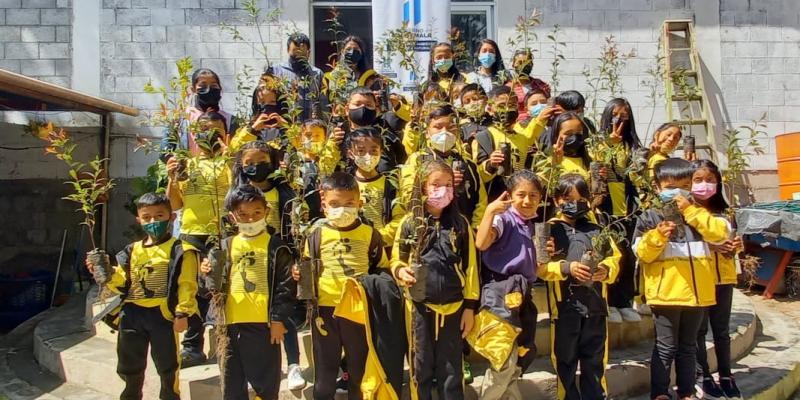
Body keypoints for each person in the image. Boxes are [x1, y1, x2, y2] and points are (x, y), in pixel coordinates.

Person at [633, 158, 730, 400]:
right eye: (670, 187)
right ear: (657, 188)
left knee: (688, 347)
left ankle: (686, 391)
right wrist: (657, 236)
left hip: (697, 296)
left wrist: (690, 210)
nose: (677, 193)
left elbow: (720, 234)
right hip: (666, 295)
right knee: (665, 347)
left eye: (684, 186)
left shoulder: (699, 215)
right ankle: (660, 393)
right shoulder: (650, 217)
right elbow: (641, 252)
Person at [85, 193, 198, 400]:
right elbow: (121, 281)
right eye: (147, 217)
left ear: (171, 217)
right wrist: (104, 272)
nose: (153, 221)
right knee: (129, 364)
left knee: (167, 365)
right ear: (139, 219)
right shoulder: (131, 250)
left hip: (162, 315)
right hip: (132, 314)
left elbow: (187, 284)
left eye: (159, 216)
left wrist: (183, 312)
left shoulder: (181, 250)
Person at [392, 160, 478, 400]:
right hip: (419, 307)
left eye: (448, 184)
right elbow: (396, 259)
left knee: (452, 369)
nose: (443, 190)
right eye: (436, 184)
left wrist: (470, 307)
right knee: (421, 367)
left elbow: (470, 268)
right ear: (422, 188)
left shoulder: (460, 224)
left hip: (454, 308)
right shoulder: (409, 223)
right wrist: (400, 271)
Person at [298, 172, 389, 399]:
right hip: (325, 311)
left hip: (357, 312)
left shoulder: (370, 234)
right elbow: (307, 267)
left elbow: (382, 269)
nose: (343, 209)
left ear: (360, 203)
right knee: (325, 369)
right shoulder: (316, 235)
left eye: (349, 204)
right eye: (335, 204)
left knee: (358, 368)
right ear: (324, 205)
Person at [201, 185, 295, 400]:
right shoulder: (225, 245)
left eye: (256, 214)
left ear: (266, 213)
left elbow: (285, 286)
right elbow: (210, 288)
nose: (250, 220)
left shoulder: (276, 247)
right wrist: (205, 272)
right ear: (233, 217)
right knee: (231, 380)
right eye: (243, 215)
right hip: (229, 325)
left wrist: (278, 319)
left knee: (265, 382)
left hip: (263, 325)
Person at [542, 173, 621, 400]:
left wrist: (606, 270)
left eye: (579, 198)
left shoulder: (597, 228)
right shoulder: (549, 230)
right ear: (557, 200)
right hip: (565, 309)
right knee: (565, 360)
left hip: (596, 307)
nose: (573, 204)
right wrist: (566, 268)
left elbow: (615, 257)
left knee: (595, 359)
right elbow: (540, 268)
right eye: (567, 198)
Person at [473, 170, 551, 399]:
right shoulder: (503, 218)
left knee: (519, 359)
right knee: (503, 359)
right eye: (521, 195)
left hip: (522, 295)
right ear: (510, 195)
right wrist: (489, 212)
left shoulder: (530, 225)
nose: (527, 201)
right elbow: (482, 243)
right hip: (499, 294)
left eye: (534, 195)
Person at [166, 111, 232, 366]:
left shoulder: (229, 164)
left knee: (220, 287)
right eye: (204, 130)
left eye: (216, 130)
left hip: (222, 233)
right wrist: (172, 178)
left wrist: (228, 156)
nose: (210, 135)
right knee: (192, 289)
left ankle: (225, 342)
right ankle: (193, 347)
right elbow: (174, 204)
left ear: (225, 134)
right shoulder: (186, 166)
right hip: (192, 235)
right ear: (195, 134)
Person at [691, 159, 743, 400]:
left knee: (721, 330)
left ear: (718, 182)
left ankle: (726, 374)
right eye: (698, 180)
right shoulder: (689, 213)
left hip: (724, 278)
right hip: (701, 278)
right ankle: (704, 376)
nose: (705, 185)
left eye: (710, 180)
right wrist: (711, 246)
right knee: (699, 330)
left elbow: (732, 243)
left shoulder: (725, 212)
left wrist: (736, 246)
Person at [596, 98, 646, 323]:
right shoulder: (597, 144)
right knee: (609, 255)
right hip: (605, 209)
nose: (619, 120)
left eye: (624, 116)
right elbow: (596, 172)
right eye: (615, 115)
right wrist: (609, 144)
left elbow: (636, 176)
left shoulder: (632, 146)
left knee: (628, 255)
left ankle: (624, 302)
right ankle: (608, 303)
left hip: (627, 209)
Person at [401, 105, 487, 230]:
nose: (444, 132)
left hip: (462, 232)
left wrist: (474, 230)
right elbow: (408, 197)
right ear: (427, 133)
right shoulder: (417, 160)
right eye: (438, 127)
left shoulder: (467, 163)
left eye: (450, 127)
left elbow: (481, 201)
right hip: (426, 231)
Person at [473, 86, 542, 201]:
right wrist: (491, 164)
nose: (507, 110)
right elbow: (478, 175)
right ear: (490, 109)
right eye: (501, 106)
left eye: (512, 106)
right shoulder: (483, 137)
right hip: (494, 199)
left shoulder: (521, 138)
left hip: (519, 199)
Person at [348, 126, 404, 249]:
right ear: (351, 154)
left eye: (373, 151)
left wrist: (378, 238)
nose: (368, 156)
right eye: (361, 151)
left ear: (381, 152)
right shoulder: (346, 185)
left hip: (382, 248)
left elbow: (399, 217)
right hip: (353, 247)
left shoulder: (390, 185)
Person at [161, 68, 236, 158]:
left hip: (223, 170)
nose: (209, 90)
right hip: (191, 170)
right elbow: (165, 152)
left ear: (220, 88)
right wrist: (173, 164)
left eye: (214, 86)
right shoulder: (181, 119)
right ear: (193, 89)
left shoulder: (232, 121)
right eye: (203, 86)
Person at [272, 32, 327, 121]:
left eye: (301, 56)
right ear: (287, 50)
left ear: (308, 53)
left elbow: (324, 106)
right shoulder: (276, 71)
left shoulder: (317, 74)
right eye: (294, 55)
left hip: (309, 128)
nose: (298, 59)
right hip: (285, 127)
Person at [229, 73, 288, 152]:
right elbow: (234, 151)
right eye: (262, 103)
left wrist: (287, 128)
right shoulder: (248, 128)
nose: (267, 107)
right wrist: (253, 130)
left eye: (272, 102)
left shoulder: (291, 127)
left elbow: (303, 150)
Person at [507, 49, 551, 121]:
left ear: (532, 65)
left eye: (527, 63)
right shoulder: (509, 87)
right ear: (513, 64)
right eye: (520, 62)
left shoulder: (541, 85)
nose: (524, 66)